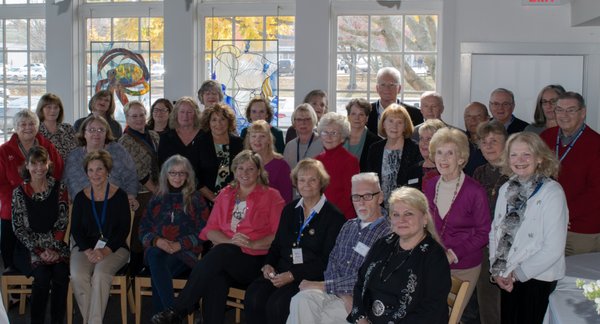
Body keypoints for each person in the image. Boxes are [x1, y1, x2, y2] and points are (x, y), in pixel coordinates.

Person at [150, 150, 285, 324]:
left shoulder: (272, 196)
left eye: (250, 169)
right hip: (225, 257)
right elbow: (210, 230)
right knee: (215, 278)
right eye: (240, 168)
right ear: (234, 171)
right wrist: (231, 242)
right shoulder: (226, 194)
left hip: (257, 261)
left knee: (220, 254)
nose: (244, 173)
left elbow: (278, 236)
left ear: (259, 171)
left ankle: (178, 310)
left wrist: (251, 243)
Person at [244, 159, 346, 324]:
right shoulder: (289, 210)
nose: (306, 184)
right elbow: (277, 245)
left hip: (308, 277)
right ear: (296, 183)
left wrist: (293, 275)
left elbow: (327, 261)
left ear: (321, 183)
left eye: (312, 180)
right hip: (280, 271)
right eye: (302, 180)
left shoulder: (334, 217)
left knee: (277, 305)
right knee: (254, 296)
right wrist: (268, 265)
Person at [286, 172, 390, 324]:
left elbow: (369, 276)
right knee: (300, 300)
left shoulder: (389, 233)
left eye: (367, 196)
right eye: (356, 197)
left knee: (323, 318)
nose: (361, 202)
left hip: (363, 298)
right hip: (336, 293)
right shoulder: (349, 226)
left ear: (380, 197)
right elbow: (332, 263)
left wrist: (324, 285)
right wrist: (342, 294)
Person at [490, 132, 568, 324]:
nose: (520, 160)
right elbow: (495, 231)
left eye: (527, 154)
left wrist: (517, 275)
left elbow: (554, 248)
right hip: (508, 273)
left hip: (537, 277)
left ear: (540, 157)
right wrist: (497, 270)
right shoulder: (506, 188)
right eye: (514, 155)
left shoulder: (552, 192)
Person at [347, 186, 451, 324]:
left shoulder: (434, 257)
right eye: (396, 214)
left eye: (408, 214)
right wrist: (360, 319)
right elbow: (360, 283)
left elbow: (431, 311)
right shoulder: (383, 244)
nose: (401, 220)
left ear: (425, 218)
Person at [423, 127, 491, 317]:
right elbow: (426, 225)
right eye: (439, 152)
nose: (443, 159)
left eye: (450, 153)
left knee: (450, 317)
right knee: (428, 315)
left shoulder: (474, 191)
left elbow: (484, 232)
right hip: (434, 264)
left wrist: (454, 254)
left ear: (461, 158)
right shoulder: (430, 185)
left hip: (464, 266)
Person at [139, 155, 208, 314]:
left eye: (182, 173)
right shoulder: (157, 197)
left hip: (185, 252)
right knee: (155, 255)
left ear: (188, 175)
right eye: (173, 173)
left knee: (159, 270)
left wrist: (180, 244)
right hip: (157, 249)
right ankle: (173, 313)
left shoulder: (196, 198)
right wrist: (157, 241)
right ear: (165, 174)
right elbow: (143, 229)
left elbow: (204, 232)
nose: (177, 177)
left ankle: (165, 315)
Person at [69, 150, 131, 324]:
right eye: (91, 170)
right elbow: (76, 229)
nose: (95, 174)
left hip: (114, 247)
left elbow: (123, 229)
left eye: (99, 169)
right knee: (78, 274)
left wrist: (105, 251)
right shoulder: (81, 197)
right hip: (85, 248)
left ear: (107, 171)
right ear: (86, 173)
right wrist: (88, 250)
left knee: (100, 274)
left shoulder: (120, 196)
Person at [0, 109, 63, 272]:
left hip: (44, 206)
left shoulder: (47, 146)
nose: (28, 127)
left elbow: (57, 172)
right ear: (15, 127)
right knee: (11, 254)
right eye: (23, 124)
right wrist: (18, 197)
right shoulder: (4, 150)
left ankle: (41, 282)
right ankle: (14, 292)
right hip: (12, 208)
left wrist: (43, 192)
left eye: (32, 124)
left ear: (37, 126)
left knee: (44, 254)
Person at [12, 146, 69, 324]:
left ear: (48, 164)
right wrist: (39, 250)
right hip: (28, 248)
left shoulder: (60, 188)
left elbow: (62, 222)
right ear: (27, 166)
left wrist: (51, 248)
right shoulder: (19, 192)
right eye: (34, 164)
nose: (39, 168)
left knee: (61, 273)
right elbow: (18, 228)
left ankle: (57, 321)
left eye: (42, 163)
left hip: (55, 245)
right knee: (42, 276)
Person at [540, 91, 600, 255]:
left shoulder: (596, 144)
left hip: (580, 230)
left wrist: (563, 214)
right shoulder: (546, 138)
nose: (564, 115)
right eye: (559, 109)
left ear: (583, 113)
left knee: (578, 279)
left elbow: (596, 192)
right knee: (549, 278)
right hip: (547, 226)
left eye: (571, 110)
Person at [472, 120, 509, 324]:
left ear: (506, 143)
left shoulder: (519, 169)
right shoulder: (479, 172)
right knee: (487, 304)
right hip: (485, 246)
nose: (488, 146)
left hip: (513, 247)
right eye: (484, 142)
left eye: (494, 141)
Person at [119, 100, 161, 273]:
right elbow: (138, 172)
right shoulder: (124, 142)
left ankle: (151, 270)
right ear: (127, 118)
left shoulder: (155, 136)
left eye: (142, 115)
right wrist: (157, 191)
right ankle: (135, 273)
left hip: (156, 191)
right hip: (139, 194)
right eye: (134, 116)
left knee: (155, 232)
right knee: (139, 235)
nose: (139, 119)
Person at [64, 115, 139, 209]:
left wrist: (130, 197)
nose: (96, 133)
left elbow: (131, 176)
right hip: (83, 208)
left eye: (101, 130)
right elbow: (66, 183)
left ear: (106, 133)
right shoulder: (73, 156)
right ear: (84, 133)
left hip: (114, 206)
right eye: (91, 130)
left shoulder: (118, 150)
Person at [367, 104, 422, 207]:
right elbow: (370, 181)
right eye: (390, 121)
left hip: (407, 206)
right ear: (383, 124)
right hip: (379, 209)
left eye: (399, 122)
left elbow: (416, 184)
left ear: (405, 126)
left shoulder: (415, 149)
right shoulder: (375, 149)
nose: (394, 126)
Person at [196, 103, 244, 203]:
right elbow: (195, 176)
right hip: (206, 200)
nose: (218, 123)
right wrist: (214, 199)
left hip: (235, 198)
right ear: (208, 122)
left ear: (229, 121)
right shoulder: (200, 142)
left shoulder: (238, 142)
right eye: (214, 120)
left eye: (222, 119)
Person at [315, 112, 359, 219]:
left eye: (334, 133)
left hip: (341, 217)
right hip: (318, 215)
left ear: (343, 137)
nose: (329, 137)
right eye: (325, 132)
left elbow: (350, 195)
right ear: (320, 135)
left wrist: (330, 215)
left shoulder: (350, 161)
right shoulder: (316, 161)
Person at [157, 97, 204, 188]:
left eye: (189, 112)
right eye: (182, 112)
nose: (185, 116)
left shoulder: (204, 136)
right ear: (176, 114)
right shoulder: (166, 137)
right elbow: (162, 167)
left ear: (196, 115)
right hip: (173, 189)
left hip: (201, 190)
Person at [245, 120, 292, 203]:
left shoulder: (281, 165)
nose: (257, 140)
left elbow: (286, 199)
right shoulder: (243, 163)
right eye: (254, 136)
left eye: (262, 136)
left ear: (269, 140)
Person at [367, 67, 424, 134]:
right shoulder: (366, 112)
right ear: (377, 88)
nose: (387, 88)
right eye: (383, 85)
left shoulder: (415, 114)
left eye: (391, 85)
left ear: (399, 88)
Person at [404, 119, 445, 191]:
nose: (423, 142)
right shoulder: (412, 170)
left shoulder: (449, 169)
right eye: (421, 138)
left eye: (429, 139)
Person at [36, 93, 78, 160]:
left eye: (56, 107)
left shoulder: (68, 128)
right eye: (48, 107)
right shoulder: (35, 131)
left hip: (70, 168)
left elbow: (77, 152)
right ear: (41, 109)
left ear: (60, 110)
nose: (53, 110)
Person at [343, 98, 380, 172]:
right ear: (348, 117)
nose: (357, 118)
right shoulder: (338, 138)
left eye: (361, 114)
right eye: (353, 114)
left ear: (367, 118)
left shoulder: (376, 142)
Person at [283, 104, 324, 170]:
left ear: (313, 120)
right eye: (299, 119)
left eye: (307, 119)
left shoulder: (323, 143)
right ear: (294, 123)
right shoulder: (289, 146)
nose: (303, 123)